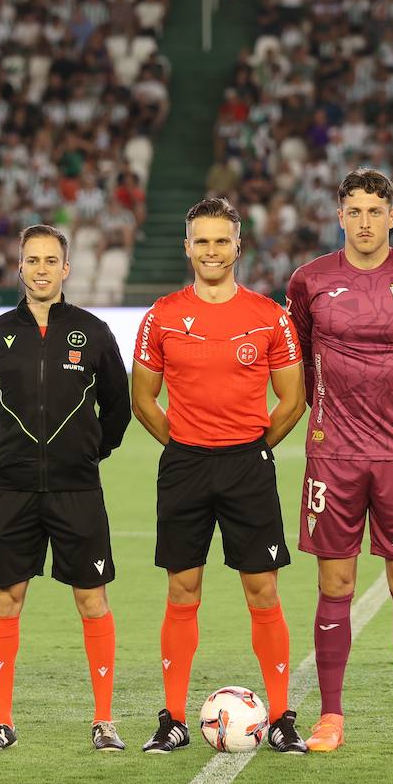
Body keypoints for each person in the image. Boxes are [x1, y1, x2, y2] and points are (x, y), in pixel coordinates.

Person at [284, 168, 393, 753]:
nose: (364, 222)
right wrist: (325, 411)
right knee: (335, 584)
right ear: (340, 216)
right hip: (333, 455)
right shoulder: (308, 281)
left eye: (374, 211)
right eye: (353, 211)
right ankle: (331, 717)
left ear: (392, 216)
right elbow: (299, 362)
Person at [131, 197, 309, 754]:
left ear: (238, 246)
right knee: (182, 589)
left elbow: (293, 399)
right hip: (184, 465)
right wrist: (187, 445)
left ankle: (280, 717)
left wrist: (252, 448)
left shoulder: (268, 316)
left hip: (247, 466)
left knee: (262, 590)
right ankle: (174, 719)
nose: (211, 250)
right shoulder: (161, 315)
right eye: (201, 241)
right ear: (188, 248)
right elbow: (143, 399)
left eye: (221, 240)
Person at [0, 224, 132, 752]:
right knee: (6, 598)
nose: (40, 269)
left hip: (77, 489)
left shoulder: (94, 331)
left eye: (50, 261)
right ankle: (1, 722)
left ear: (66, 268)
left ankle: (103, 720)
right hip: (12, 490)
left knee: (91, 599)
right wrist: (11, 454)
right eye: (31, 260)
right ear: (19, 267)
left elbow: (118, 408)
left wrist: (88, 454)